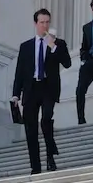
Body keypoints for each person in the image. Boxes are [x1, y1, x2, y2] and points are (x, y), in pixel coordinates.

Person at [12, 9, 72, 173]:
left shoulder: (58, 43)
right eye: (42, 22)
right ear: (35, 23)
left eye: (47, 22)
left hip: (48, 88)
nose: (45, 25)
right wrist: (16, 94)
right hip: (31, 89)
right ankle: (35, 167)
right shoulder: (26, 47)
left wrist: (53, 47)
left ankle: (50, 156)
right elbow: (20, 72)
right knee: (30, 130)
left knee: (46, 119)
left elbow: (67, 63)